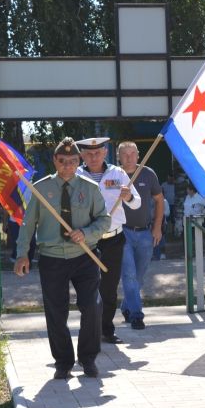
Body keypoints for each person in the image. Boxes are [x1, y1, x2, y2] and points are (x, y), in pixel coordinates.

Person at [14, 137, 111, 380]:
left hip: (84, 256)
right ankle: (63, 362)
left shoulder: (89, 188)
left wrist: (86, 233)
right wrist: (22, 254)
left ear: (79, 161)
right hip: (52, 258)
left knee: (92, 307)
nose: (67, 165)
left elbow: (104, 219)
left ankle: (88, 359)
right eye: (62, 161)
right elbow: (28, 224)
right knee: (56, 312)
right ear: (55, 161)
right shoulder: (41, 188)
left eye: (72, 161)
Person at [76, 136, 141, 346]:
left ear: (105, 153)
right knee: (87, 288)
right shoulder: (76, 175)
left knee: (109, 288)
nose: (93, 157)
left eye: (98, 153)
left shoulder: (118, 173)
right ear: (82, 155)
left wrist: (128, 196)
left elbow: (136, 203)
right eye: (89, 154)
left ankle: (106, 329)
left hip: (113, 239)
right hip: (87, 241)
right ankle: (89, 329)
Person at [117, 141, 164, 330]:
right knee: (128, 274)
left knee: (139, 275)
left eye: (132, 154)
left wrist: (157, 227)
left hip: (145, 232)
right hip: (122, 232)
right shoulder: (114, 175)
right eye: (124, 154)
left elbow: (159, 200)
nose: (129, 158)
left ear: (138, 155)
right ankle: (137, 315)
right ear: (119, 156)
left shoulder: (148, 173)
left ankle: (126, 306)